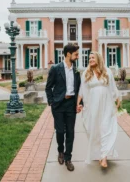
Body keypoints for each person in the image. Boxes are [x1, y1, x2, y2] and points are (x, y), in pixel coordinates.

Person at [77, 51, 121, 168]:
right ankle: (99, 152)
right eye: (89, 58)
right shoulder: (86, 73)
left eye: (92, 57)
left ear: (98, 59)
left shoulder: (107, 72)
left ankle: (104, 157)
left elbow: (112, 87)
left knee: (105, 127)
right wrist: (78, 103)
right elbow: (82, 90)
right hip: (92, 105)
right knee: (94, 129)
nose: (90, 59)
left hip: (106, 104)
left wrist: (117, 99)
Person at [45, 43, 81, 172]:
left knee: (70, 132)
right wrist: (51, 102)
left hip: (71, 104)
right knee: (60, 131)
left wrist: (80, 103)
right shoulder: (55, 68)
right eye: (76, 54)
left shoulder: (76, 70)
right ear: (68, 54)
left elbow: (79, 88)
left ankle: (68, 158)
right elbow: (48, 87)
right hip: (59, 105)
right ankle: (60, 150)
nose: (78, 57)